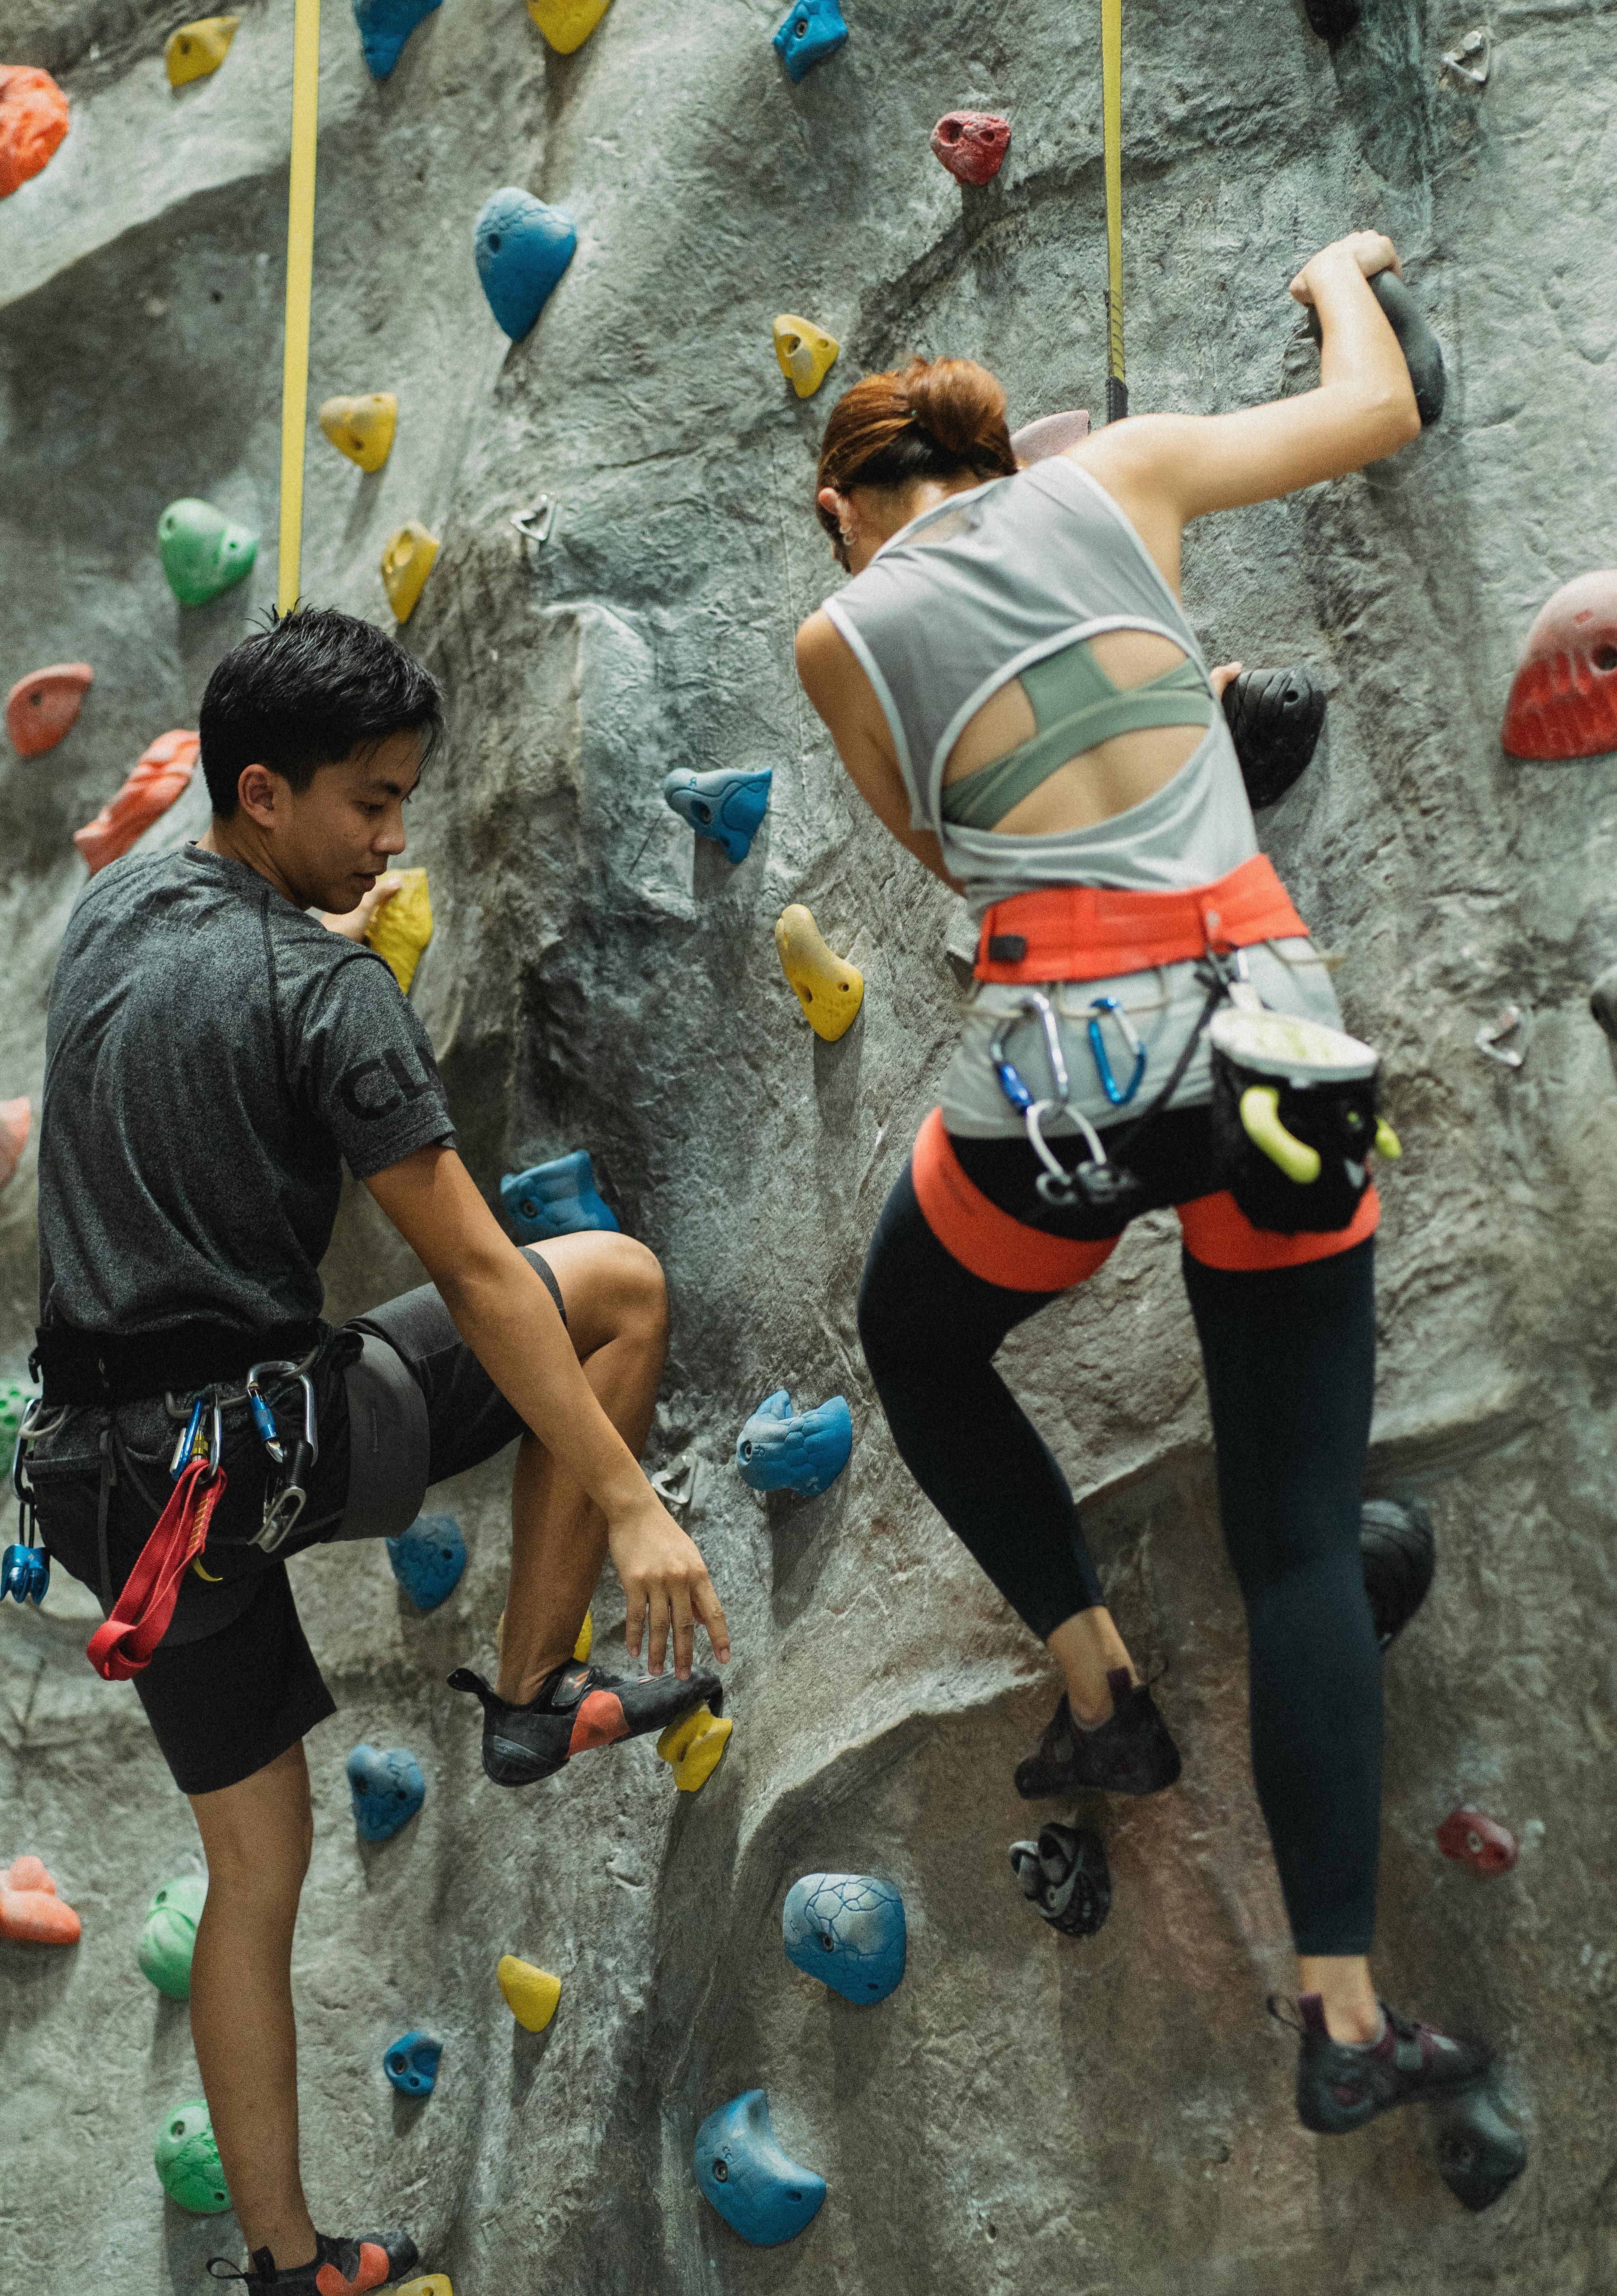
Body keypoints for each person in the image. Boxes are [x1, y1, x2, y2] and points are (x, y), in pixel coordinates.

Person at [793, 232, 1486, 2135]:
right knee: (1293, 1542)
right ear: (999, 457)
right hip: (1268, 1041)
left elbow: (950, 859)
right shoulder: (1125, 479)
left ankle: (1100, 1693)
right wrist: (1341, 269)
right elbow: (1380, 407)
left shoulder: (839, 631)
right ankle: (1343, 2023)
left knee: (918, 1345)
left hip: (1065, 1087)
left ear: (848, 509)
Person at [17, 608, 730, 2292]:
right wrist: (631, 1506)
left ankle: (288, 2266)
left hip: (104, 1492)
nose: (395, 836)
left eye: (408, 796)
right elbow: (485, 1277)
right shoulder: (323, 989)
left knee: (253, 1867)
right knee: (615, 1292)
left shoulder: (110, 917)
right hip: (255, 1453)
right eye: (369, 802)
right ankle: (533, 1688)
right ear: (261, 793)